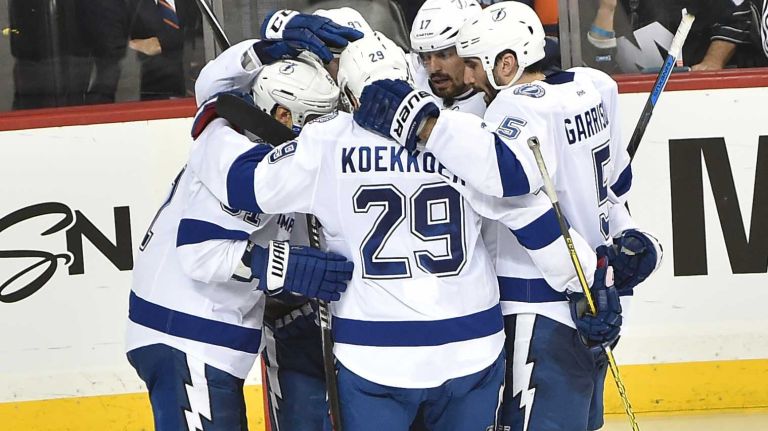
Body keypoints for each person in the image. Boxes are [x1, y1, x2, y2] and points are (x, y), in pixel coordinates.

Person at [191, 11, 609, 425]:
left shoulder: (326, 142)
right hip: (472, 348)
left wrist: (212, 124)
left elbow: (241, 184)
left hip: (376, 355)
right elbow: (529, 213)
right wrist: (586, 285)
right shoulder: (459, 132)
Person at [354, 2, 662, 430]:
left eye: (473, 64)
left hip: (540, 304)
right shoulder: (593, 87)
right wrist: (636, 245)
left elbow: (510, 187)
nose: (467, 76)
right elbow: (615, 189)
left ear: (507, 62)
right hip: (591, 304)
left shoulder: (512, 107)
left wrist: (425, 127)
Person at [125, 13, 362, 430]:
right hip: (185, 333)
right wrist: (287, 267)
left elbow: (214, 90)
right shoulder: (239, 162)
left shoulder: (264, 136)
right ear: (285, 114)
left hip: (204, 334)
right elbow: (201, 253)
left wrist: (259, 50)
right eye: (315, 120)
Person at [409, 0, 486, 116]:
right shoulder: (407, 74)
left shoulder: (495, 101)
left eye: (443, 55)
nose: (433, 68)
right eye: (425, 56)